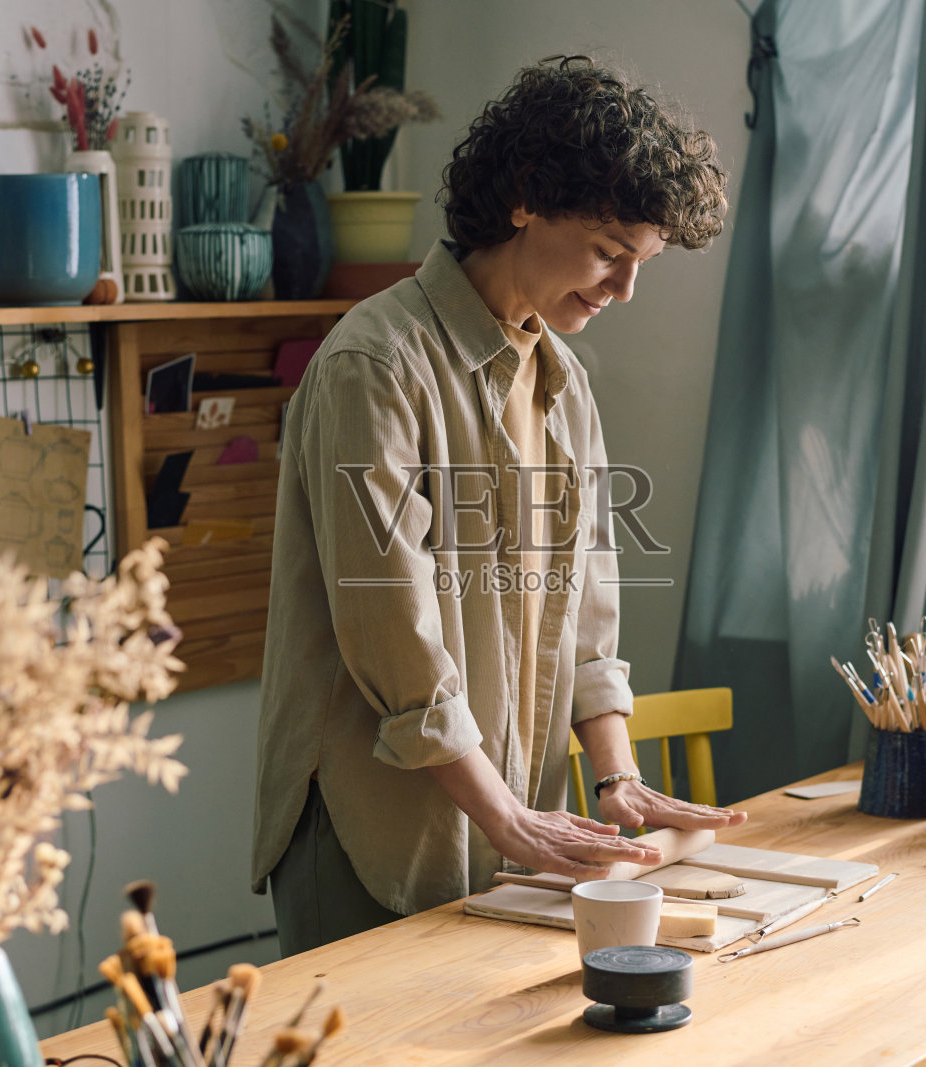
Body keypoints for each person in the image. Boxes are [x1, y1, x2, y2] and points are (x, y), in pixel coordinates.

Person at [252, 56, 742, 957]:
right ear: (524, 197)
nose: (624, 289)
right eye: (608, 252)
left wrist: (617, 776)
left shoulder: (565, 380)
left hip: (511, 817)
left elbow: (589, 617)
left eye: (642, 263)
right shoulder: (376, 365)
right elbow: (395, 636)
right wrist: (509, 817)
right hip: (380, 828)